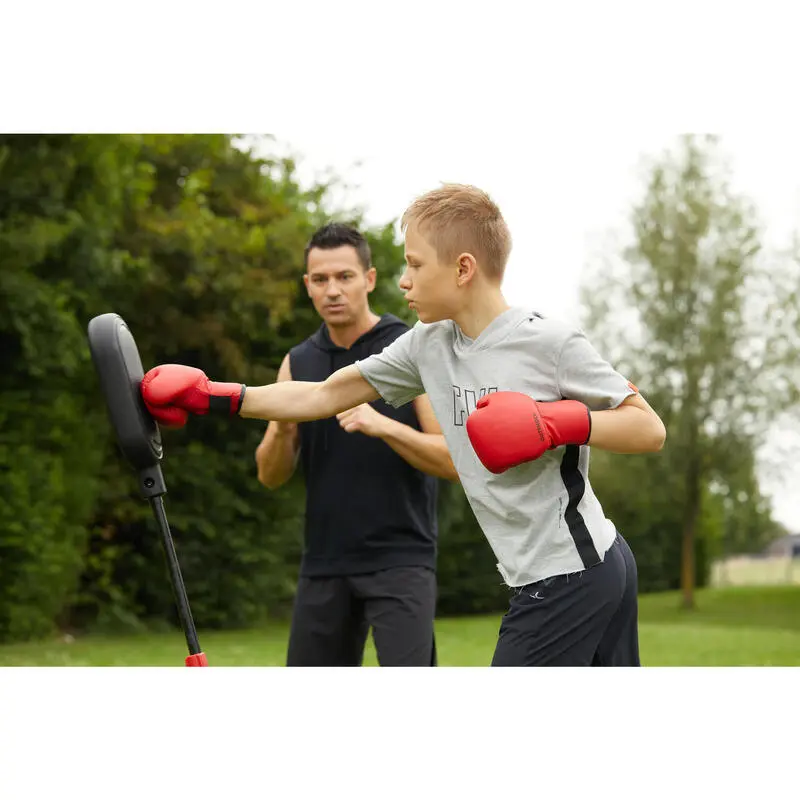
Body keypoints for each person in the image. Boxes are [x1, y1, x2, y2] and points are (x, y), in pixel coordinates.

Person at [140, 184, 667, 667]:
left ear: (463, 269)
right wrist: (214, 396)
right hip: (553, 572)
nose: (403, 280)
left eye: (414, 265)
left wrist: (553, 423)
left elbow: (647, 428)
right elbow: (326, 393)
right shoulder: (428, 343)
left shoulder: (548, 342)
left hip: (575, 572)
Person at [263, 222, 455, 666]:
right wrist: (281, 428)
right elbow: (270, 476)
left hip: (401, 561)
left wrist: (384, 425)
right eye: (320, 279)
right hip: (324, 564)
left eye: (344, 277)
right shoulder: (297, 362)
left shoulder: (407, 349)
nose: (333, 290)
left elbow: (452, 459)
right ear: (307, 286)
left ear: (368, 279)